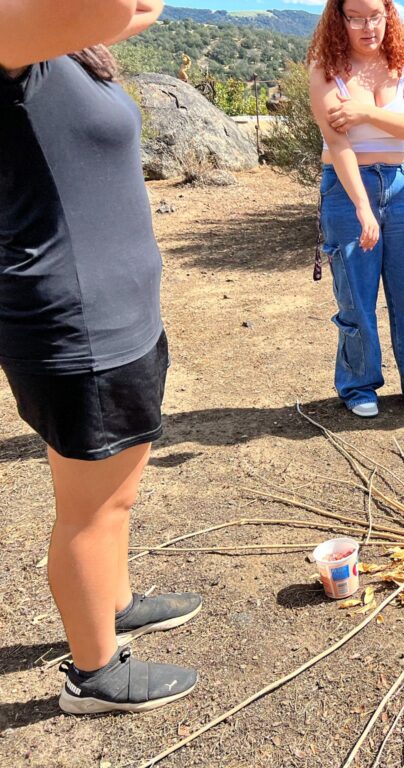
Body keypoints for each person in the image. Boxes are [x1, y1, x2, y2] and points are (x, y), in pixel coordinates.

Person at [0, 1, 201, 713]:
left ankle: (113, 602)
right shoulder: (10, 37)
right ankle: (94, 675)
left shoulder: (68, 46)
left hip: (119, 316)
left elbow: (133, 13)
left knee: (114, 494)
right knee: (85, 509)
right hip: (74, 325)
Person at [307, 0, 404, 419]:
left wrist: (366, 111)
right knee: (356, 295)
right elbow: (339, 143)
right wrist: (363, 208)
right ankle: (358, 385)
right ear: (341, 18)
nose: (367, 26)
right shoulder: (325, 68)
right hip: (348, 189)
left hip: (403, 186)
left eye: (375, 16)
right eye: (356, 17)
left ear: (388, 15)